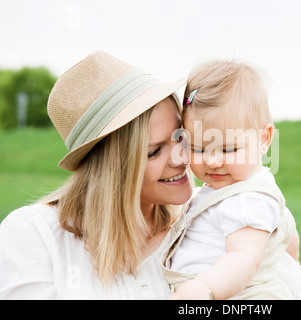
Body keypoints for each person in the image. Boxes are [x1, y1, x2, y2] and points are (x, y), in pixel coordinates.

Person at [0, 51, 193, 299]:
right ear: (110, 168)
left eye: (181, 136)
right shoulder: (34, 235)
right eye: (154, 152)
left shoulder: (207, 216)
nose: (184, 157)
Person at [162, 60, 301, 300]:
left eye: (228, 149)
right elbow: (289, 239)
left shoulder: (246, 199)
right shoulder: (247, 189)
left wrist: (204, 288)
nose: (212, 161)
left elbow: (242, 257)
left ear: (264, 139)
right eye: (199, 149)